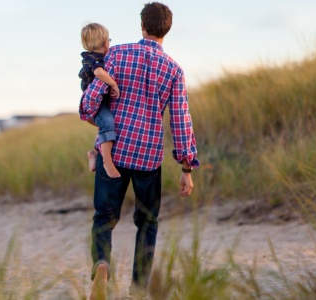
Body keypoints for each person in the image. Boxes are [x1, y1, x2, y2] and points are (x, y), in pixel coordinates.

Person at [78, 2, 199, 299]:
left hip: (115, 152)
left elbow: (90, 101)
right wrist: (186, 168)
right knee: (147, 222)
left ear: (141, 26)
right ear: (166, 30)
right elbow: (181, 120)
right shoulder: (173, 69)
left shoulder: (117, 54)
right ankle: (139, 288)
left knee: (104, 217)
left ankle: (102, 263)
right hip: (148, 157)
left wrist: (90, 111)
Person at [79, 23, 122, 179]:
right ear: (105, 43)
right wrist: (113, 83)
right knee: (108, 122)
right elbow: (98, 73)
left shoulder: (90, 56)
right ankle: (107, 162)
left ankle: (95, 153)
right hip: (95, 103)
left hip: (99, 101)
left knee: (105, 126)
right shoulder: (95, 59)